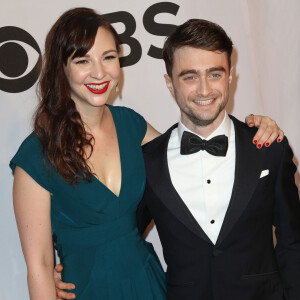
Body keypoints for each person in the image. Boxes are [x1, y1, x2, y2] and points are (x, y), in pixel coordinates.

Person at [11, 9, 283, 300]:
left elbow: (192, 151)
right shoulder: (36, 155)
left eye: (108, 57)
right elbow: (39, 265)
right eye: (82, 60)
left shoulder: (131, 125)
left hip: (149, 284)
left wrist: (255, 126)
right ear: (60, 68)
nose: (99, 72)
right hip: (86, 289)